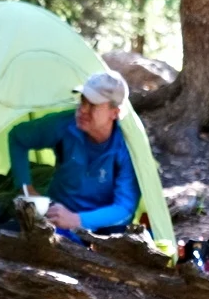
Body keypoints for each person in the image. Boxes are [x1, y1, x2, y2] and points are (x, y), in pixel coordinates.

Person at [8, 69, 140, 235]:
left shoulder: (126, 147)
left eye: (92, 104)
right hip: (59, 220)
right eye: (82, 101)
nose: (83, 109)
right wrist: (25, 188)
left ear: (115, 113)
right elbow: (18, 137)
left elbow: (124, 208)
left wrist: (78, 220)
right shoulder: (64, 125)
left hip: (106, 229)